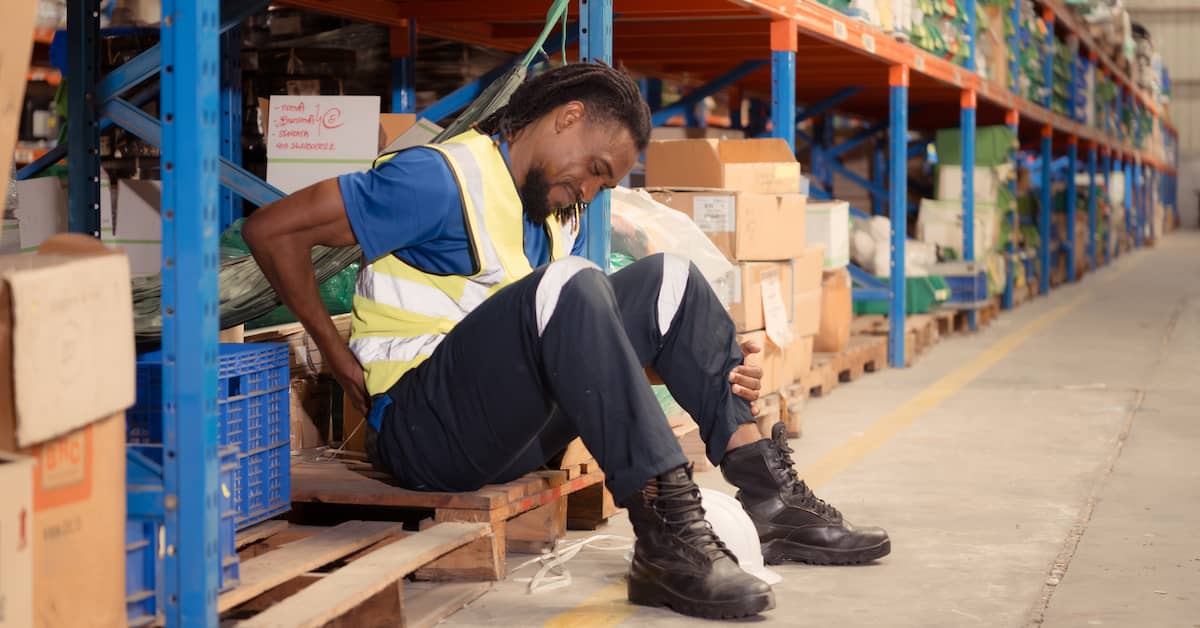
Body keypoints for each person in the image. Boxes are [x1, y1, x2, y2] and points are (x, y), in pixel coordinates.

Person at [243, 63, 889, 620]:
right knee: (576, 284)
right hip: (424, 434)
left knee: (672, 281)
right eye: (596, 171)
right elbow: (271, 231)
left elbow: (575, 350)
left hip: (507, 435)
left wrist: (697, 370)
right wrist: (335, 354)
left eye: (604, 186)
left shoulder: (549, 211)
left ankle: (767, 496)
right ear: (566, 116)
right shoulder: (437, 180)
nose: (589, 191)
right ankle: (669, 537)